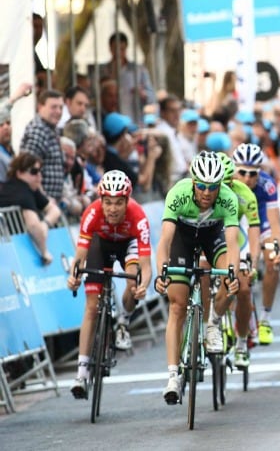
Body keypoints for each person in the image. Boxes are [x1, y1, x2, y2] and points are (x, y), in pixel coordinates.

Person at [154, 151, 240, 405]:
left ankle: (213, 321)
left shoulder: (227, 198)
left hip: (213, 234)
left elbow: (233, 243)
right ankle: (172, 377)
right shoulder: (178, 193)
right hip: (183, 235)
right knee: (177, 305)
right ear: (193, 182)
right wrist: (162, 271)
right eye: (201, 186)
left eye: (212, 187)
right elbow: (165, 241)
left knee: (229, 282)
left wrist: (232, 273)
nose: (206, 192)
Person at [66, 170, 152, 398]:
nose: (112, 208)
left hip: (128, 244)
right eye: (108, 202)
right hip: (100, 245)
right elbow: (80, 254)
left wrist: (143, 284)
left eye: (118, 203)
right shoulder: (92, 213)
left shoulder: (138, 216)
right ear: (101, 200)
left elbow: (146, 265)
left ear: (127, 201)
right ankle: (82, 373)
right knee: (92, 307)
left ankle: (123, 322)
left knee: (133, 282)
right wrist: (73, 275)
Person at [232, 142, 280, 345]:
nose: (247, 178)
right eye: (242, 172)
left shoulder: (267, 185)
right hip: (236, 222)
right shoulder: (226, 181)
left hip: (260, 221)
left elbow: (275, 225)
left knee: (272, 259)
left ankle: (265, 319)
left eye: (253, 174)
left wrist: (275, 247)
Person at [218, 152, 260, 363]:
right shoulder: (201, 194)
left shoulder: (244, 194)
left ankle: (242, 342)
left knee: (243, 288)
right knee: (202, 273)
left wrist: (252, 262)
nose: (223, 189)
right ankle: (210, 324)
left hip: (237, 239)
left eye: (228, 182)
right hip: (210, 238)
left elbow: (253, 231)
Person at [0, 152, 60, 264]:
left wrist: (45, 224)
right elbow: (33, 225)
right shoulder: (21, 192)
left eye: (40, 171)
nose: (39, 175)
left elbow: (54, 210)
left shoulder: (30, 188)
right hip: (9, 249)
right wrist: (44, 252)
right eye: (34, 172)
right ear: (19, 173)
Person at [97, 32, 156, 123]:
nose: (118, 53)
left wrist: (142, 93)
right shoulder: (102, 70)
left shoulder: (138, 71)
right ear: (110, 48)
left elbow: (151, 97)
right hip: (109, 120)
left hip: (132, 118)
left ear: (126, 48)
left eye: (122, 49)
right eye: (115, 49)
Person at [19, 89, 65, 201]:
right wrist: (44, 198)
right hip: (41, 203)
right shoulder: (38, 130)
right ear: (40, 107)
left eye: (61, 108)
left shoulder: (52, 129)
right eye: (53, 107)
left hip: (52, 200)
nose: (58, 111)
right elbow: (28, 169)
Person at [0, 82, 33, 181]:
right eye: (1, 125)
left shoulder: (9, 151)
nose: (6, 127)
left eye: (8, 123)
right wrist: (14, 98)